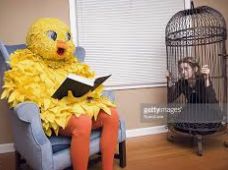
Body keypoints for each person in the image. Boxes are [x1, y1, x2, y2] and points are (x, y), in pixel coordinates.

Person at [1, 18, 119, 170]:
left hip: (76, 106)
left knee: (112, 115)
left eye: (66, 38)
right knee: (82, 122)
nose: (62, 43)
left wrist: (87, 90)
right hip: (53, 114)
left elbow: (82, 87)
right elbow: (25, 95)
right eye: (53, 36)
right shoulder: (25, 64)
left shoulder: (72, 63)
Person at [166, 57, 222, 133]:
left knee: (203, 127)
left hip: (208, 110)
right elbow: (171, 98)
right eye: (181, 69)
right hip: (192, 110)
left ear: (195, 69)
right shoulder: (182, 82)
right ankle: (192, 129)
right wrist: (169, 80)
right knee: (180, 124)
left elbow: (211, 100)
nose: (183, 72)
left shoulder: (202, 79)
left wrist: (207, 80)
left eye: (186, 69)